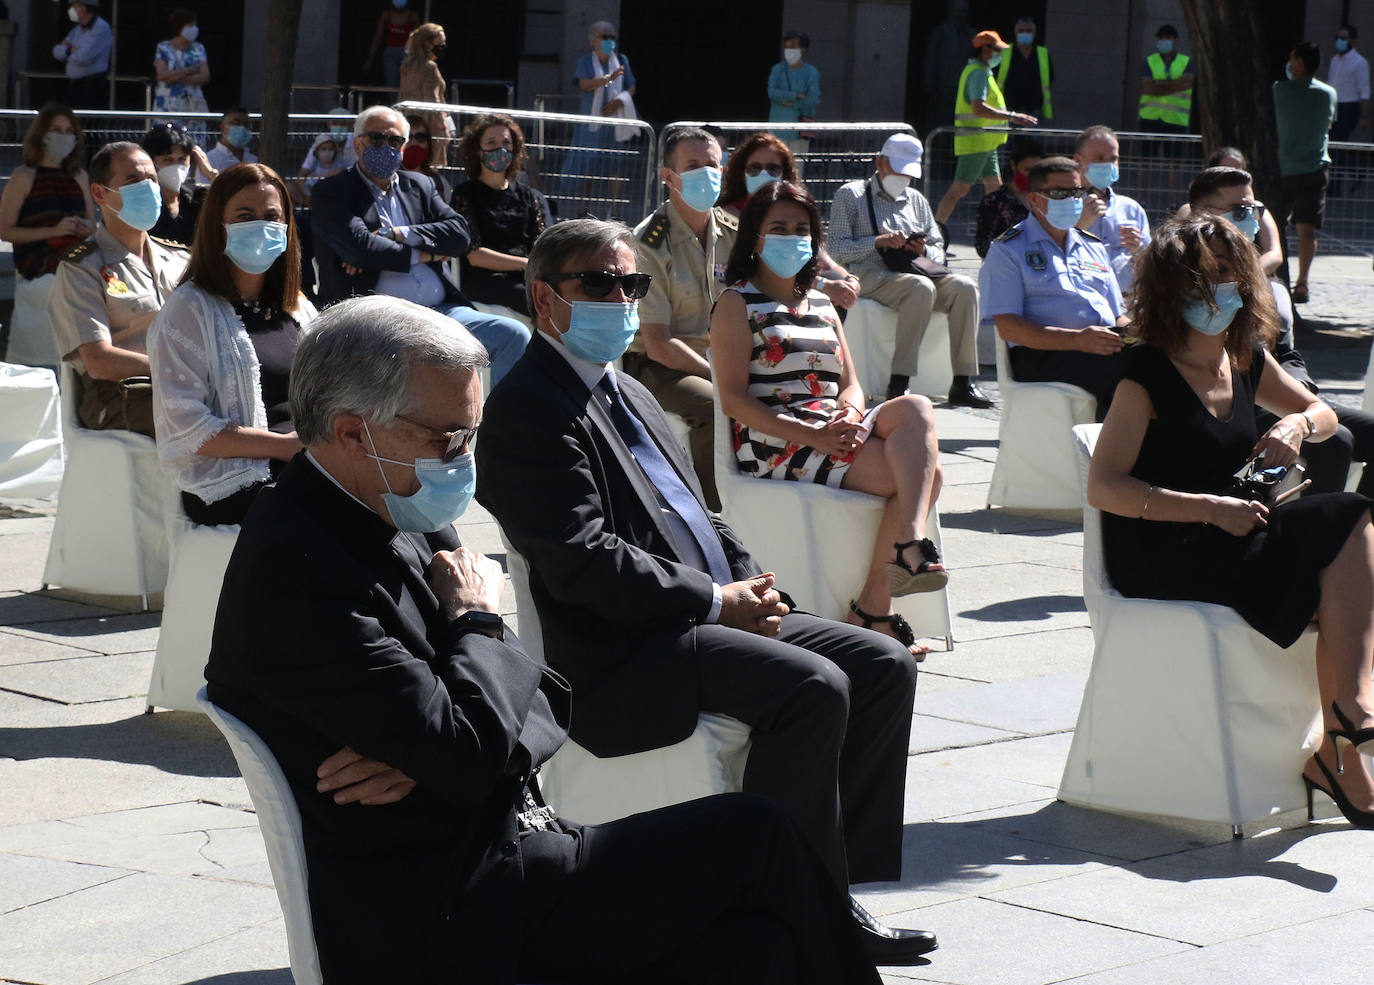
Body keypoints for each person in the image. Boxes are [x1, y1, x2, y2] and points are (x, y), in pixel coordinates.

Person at [205, 295, 889, 985]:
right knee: (757, 838)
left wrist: (443, 745)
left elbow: (532, 698)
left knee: (764, 940)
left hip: (507, 849)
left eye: (471, 431)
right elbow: (475, 742)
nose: (464, 459)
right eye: (449, 437)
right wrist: (472, 631)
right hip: (449, 907)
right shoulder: (301, 568)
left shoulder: (389, 500)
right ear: (353, 432)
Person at [476, 218, 937, 961]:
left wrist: (757, 589)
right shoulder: (528, 408)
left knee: (885, 664)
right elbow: (581, 561)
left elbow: (703, 515)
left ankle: (832, 889)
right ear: (544, 299)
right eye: (598, 283)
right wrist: (719, 603)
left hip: (706, 617)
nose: (620, 298)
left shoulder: (633, 392)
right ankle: (790, 902)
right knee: (813, 686)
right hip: (623, 650)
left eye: (631, 284)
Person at [1087, 213, 1374, 831]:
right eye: (1199, 282)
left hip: (1238, 532)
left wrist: (1295, 425)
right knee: (1347, 520)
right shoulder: (1146, 374)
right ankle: (1346, 728)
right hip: (1167, 549)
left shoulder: (1244, 358)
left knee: (1352, 538)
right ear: (1169, 289)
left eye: (1225, 280)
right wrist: (1207, 509)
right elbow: (1103, 486)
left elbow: (1323, 413)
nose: (1214, 296)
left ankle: (1342, 744)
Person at [711, 181, 948, 658]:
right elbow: (734, 400)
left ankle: (908, 547)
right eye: (778, 228)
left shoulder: (822, 304)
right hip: (776, 440)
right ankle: (875, 608)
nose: (791, 237)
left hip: (833, 432)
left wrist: (853, 414)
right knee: (927, 475)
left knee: (917, 407)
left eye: (801, 229)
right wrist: (811, 433)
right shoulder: (736, 304)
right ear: (754, 237)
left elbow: (851, 382)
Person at [1188, 165, 1374, 499]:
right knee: (1336, 441)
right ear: (1204, 214)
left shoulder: (1256, 272)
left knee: (1359, 431)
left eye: (1254, 208)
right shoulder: (1179, 272)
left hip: (1272, 386)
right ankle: (1312, 535)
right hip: (1225, 399)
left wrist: (1298, 389)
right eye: (1241, 209)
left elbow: (1283, 348)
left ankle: (1356, 527)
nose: (1252, 217)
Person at [148, 163, 317, 526]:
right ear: (218, 226)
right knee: (331, 513)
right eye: (245, 215)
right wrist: (285, 448)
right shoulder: (189, 309)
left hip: (307, 461)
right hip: (231, 480)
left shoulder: (299, 307)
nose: (261, 224)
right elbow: (187, 427)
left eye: (272, 216)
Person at [310, 106, 530, 383]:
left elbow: (459, 235)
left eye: (395, 141)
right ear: (357, 143)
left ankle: (500, 426)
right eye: (377, 139)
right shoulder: (333, 191)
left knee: (513, 335)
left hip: (440, 311)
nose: (387, 148)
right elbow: (361, 249)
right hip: (377, 319)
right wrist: (427, 255)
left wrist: (398, 234)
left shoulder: (420, 185)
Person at [830, 133, 991, 407]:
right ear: (879, 163)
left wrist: (924, 249)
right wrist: (878, 241)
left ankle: (963, 381)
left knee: (964, 287)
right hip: (868, 274)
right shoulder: (851, 194)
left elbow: (938, 244)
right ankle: (900, 381)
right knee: (920, 289)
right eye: (897, 169)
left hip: (913, 272)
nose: (903, 178)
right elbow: (836, 248)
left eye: (908, 172)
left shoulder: (916, 199)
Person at [48, 142, 189, 437]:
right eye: (134, 180)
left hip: (185, 390)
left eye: (152, 179)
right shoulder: (82, 267)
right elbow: (99, 361)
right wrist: (176, 371)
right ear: (100, 193)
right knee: (201, 426)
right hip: (121, 397)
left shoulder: (180, 259)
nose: (149, 188)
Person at [628, 128, 735, 510]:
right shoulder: (648, 242)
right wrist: (723, 377)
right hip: (659, 367)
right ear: (667, 177)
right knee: (715, 407)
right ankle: (713, 517)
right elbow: (658, 342)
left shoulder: (733, 234)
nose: (705, 173)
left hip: (722, 360)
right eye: (693, 166)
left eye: (712, 165)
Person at [979, 157, 1128, 417]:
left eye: (1077, 192)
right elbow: (1008, 326)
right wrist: (1077, 340)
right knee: (1126, 376)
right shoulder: (1008, 250)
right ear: (1034, 199)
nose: (1071, 201)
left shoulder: (1092, 246)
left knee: (1163, 363)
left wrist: (1139, 333)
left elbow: (1118, 314)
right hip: (1042, 354)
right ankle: (1107, 452)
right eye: (1060, 193)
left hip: (1103, 346)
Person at [717, 131, 861, 311]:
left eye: (772, 168)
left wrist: (851, 280)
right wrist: (823, 285)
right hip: (758, 290)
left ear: (784, 173)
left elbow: (824, 259)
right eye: (754, 168)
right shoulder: (728, 214)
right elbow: (756, 270)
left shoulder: (797, 210)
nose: (763, 174)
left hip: (798, 289)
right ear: (742, 173)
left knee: (834, 277)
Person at [0, 103, 94, 369]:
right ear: (42, 134)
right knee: (59, 281)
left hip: (77, 252)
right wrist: (53, 230)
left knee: (101, 274)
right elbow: (5, 230)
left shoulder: (79, 176)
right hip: (38, 259)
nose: (63, 136)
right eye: (56, 130)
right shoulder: (23, 176)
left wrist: (86, 229)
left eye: (68, 131)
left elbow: (94, 227)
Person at [932, 30, 1037, 239]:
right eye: (998, 50)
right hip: (976, 142)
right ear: (986, 50)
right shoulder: (978, 73)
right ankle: (933, 234)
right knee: (959, 190)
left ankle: (1002, 234)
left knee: (995, 191)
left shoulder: (981, 71)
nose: (1001, 54)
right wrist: (1013, 116)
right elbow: (978, 108)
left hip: (985, 142)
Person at [449, 113, 543, 317]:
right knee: (539, 302)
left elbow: (539, 243)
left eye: (506, 142)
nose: (500, 148)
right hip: (484, 280)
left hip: (526, 277)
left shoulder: (527, 195)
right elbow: (474, 255)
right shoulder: (465, 195)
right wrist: (525, 265)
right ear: (478, 151)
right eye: (491, 142)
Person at [1275, 41, 1338, 304]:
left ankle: (1275, 275)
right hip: (1316, 167)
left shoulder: (1279, 90)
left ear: (1299, 62)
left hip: (1285, 168)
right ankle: (1302, 283)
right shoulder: (1329, 94)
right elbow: (1329, 125)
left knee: (1276, 225)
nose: (1289, 64)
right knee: (1307, 230)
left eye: (1292, 59)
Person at [560, 19, 640, 219]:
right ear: (593, 40)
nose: (609, 41)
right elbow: (583, 84)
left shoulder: (621, 59)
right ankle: (583, 210)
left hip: (614, 124)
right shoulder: (586, 60)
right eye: (605, 37)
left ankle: (615, 211)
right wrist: (607, 80)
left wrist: (620, 101)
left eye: (612, 37)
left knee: (616, 167)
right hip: (591, 125)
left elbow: (631, 85)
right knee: (587, 166)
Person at [1074, 125, 1151, 295]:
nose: (1108, 165)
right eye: (1100, 158)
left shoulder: (1131, 208)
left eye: (1113, 159)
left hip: (1127, 302)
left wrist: (1138, 249)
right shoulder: (1064, 204)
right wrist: (1080, 226)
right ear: (1078, 161)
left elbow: (1151, 263)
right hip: (1083, 300)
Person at [974, 134, 1041, 258]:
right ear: (1013, 165)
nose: (1031, 175)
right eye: (1027, 169)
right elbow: (983, 246)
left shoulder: (1048, 199)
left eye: (1037, 170)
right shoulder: (993, 202)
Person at [142, 122, 207, 247]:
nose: (176, 166)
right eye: (167, 159)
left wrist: (210, 173)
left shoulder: (194, 200)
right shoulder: (144, 202)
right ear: (151, 161)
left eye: (182, 159)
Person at [398, 22, 452, 169]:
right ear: (427, 44)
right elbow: (433, 101)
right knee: (430, 168)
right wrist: (443, 128)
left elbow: (402, 94)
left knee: (409, 165)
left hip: (409, 123)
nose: (443, 46)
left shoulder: (407, 64)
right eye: (440, 43)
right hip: (429, 127)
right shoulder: (429, 67)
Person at [152, 9, 210, 131]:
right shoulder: (164, 47)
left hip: (193, 105)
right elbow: (162, 76)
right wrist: (190, 70)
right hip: (168, 105)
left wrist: (173, 77)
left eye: (195, 25)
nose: (194, 29)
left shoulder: (198, 48)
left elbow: (204, 76)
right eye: (190, 26)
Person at [52, 2, 112, 109]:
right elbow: (57, 52)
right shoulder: (76, 30)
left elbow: (84, 57)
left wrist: (68, 53)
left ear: (83, 8)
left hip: (92, 87)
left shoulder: (101, 28)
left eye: (74, 6)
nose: (71, 10)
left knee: (89, 123)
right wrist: (70, 50)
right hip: (74, 87)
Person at [1138, 24, 1193, 137]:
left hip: (1176, 120)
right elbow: (1147, 89)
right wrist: (1176, 85)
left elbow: (1187, 84)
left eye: (1167, 37)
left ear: (1175, 39)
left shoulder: (1186, 62)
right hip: (1150, 119)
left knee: (1173, 155)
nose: (1163, 40)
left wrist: (1159, 83)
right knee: (1147, 155)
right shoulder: (1149, 61)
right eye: (1160, 38)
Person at [996, 15, 1053, 119]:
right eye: (1021, 30)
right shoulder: (1005, 52)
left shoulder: (1042, 53)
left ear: (1034, 33)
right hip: (1008, 110)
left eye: (1028, 31)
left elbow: (1050, 80)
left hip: (1034, 111)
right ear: (1015, 32)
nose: (1024, 33)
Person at [1326, 25, 1369, 141]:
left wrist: (1363, 116)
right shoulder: (1334, 60)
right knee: (1329, 139)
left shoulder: (1359, 62)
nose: (1339, 41)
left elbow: (1364, 91)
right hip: (1333, 105)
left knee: (1340, 139)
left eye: (1343, 38)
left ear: (1353, 40)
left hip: (1348, 106)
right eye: (1338, 38)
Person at [767, 30, 820, 123]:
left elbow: (813, 99)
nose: (788, 51)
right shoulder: (777, 69)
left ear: (803, 50)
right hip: (778, 125)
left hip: (801, 128)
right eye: (786, 47)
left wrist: (794, 104)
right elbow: (772, 93)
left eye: (792, 47)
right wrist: (796, 95)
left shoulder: (811, 72)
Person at [199, 107, 258, 186]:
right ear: (223, 128)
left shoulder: (253, 160)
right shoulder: (210, 160)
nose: (242, 128)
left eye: (246, 124)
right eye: (237, 123)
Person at [365, 0, 417, 89]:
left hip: (406, 52)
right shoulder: (386, 15)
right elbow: (378, 37)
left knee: (406, 81)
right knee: (391, 83)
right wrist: (370, 59)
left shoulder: (412, 16)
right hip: (390, 51)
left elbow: (418, 38)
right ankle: (393, 101)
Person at [400, 114, 450, 201]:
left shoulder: (439, 183)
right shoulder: (387, 180)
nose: (414, 143)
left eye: (420, 137)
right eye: (408, 137)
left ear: (428, 143)